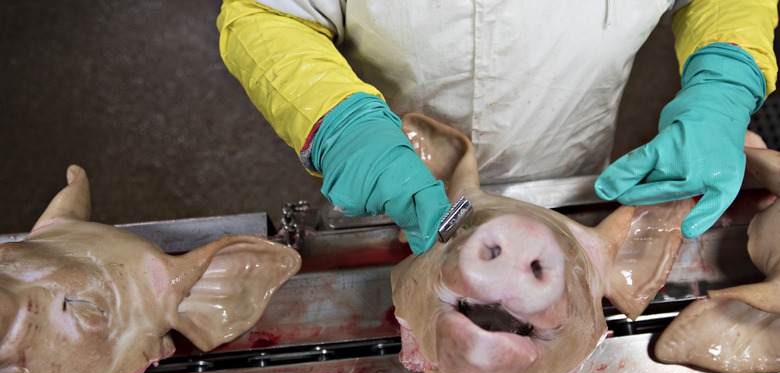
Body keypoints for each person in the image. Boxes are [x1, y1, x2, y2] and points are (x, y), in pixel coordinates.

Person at [216, 0, 777, 254]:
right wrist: (340, 122)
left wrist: (723, 82)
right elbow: (266, 12)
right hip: (393, 161)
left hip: (567, 156)